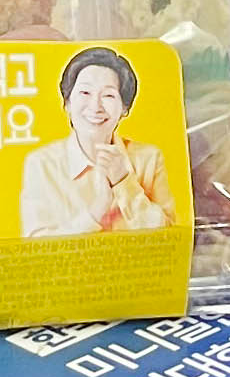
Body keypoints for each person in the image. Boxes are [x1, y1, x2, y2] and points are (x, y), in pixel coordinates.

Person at [20, 48, 172, 238]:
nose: (95, 107)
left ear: (125, 108)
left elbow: (168, 236)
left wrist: (123, 182)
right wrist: (96, 211)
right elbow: (36, 247)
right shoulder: (41, 163)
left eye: (108, 95)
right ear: (67, 102)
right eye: (85, 92)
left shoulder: (148, 158)